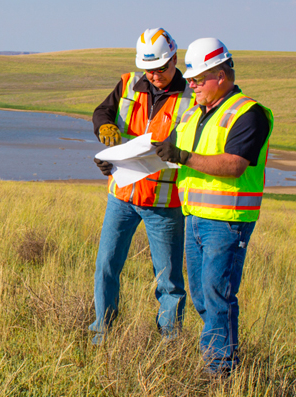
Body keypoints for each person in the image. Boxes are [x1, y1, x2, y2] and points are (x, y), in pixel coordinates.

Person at [153, 38, 273, 374]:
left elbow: (235, 164)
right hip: (194, 217)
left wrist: (184, 157)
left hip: (227, 220)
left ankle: (220, 370)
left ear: (221, 75)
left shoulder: (248, 114)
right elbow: (170, 148)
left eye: (197, 79)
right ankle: (219, 359)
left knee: (218, 296)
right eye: (190, 79)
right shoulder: (194, 113)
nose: (190, 84)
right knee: (203, 298)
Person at [90, 28, 195, 344]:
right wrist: (104, 136)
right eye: (149, 69)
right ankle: (102, 334)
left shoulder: (191, 96)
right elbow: (102, 113)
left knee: (168, 280)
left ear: (175, 59)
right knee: (106, 267)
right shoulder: (127, 84)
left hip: (164, 202)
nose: (155, 75)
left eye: (161, 68)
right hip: (121, 196)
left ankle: (169, 344)